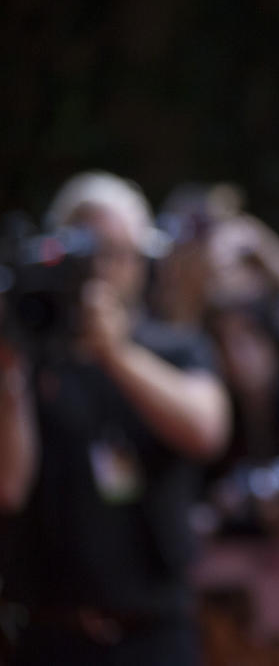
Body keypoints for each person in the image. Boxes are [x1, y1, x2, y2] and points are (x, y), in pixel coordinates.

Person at [0, 171, 231, 665]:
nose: (103, 271)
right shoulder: (29, 359)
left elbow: (206, 430)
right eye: (89, 253)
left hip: (155, 633)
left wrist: (115, 353)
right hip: (49, 636)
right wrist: (11, 375)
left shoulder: (176, 347)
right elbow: (8, 486)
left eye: (118, 253)